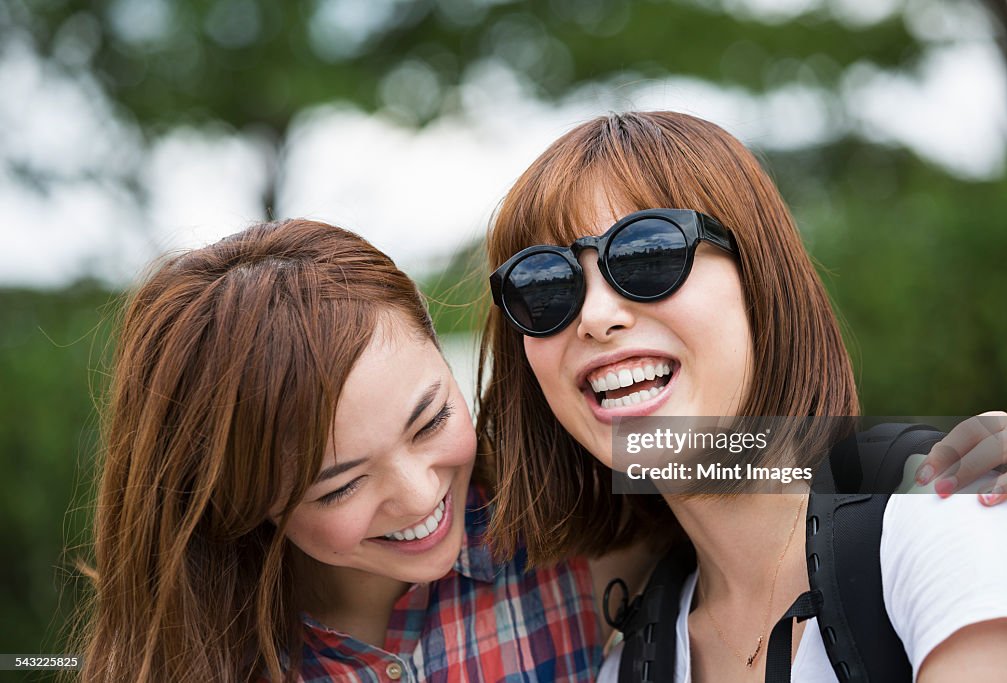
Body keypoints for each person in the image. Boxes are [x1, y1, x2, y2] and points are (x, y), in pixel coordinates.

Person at [480, 111, 1007, 681]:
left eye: (646, 255)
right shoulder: (631, 663)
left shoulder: (944, 513)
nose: (594, 317)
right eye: (540, 285)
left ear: (760, 277)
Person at [75, 219, 650, 682]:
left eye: (431, 421)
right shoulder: (201, 658)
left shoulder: (561, 527)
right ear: (237, 497)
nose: (420, 494)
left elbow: (738, 458)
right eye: (341, 485)